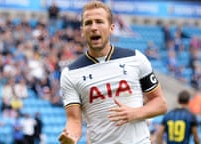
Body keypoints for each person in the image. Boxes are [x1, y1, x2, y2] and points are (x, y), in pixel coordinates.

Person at [58, 1, 167, 144]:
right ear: (82, 30)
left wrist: (135, 113)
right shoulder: (70, 73)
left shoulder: (136, 58)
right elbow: (73, 120)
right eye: (88, 23)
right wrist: (71, 136)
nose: (94, 27)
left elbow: (160, 103)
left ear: (111, 28)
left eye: (99, 22)